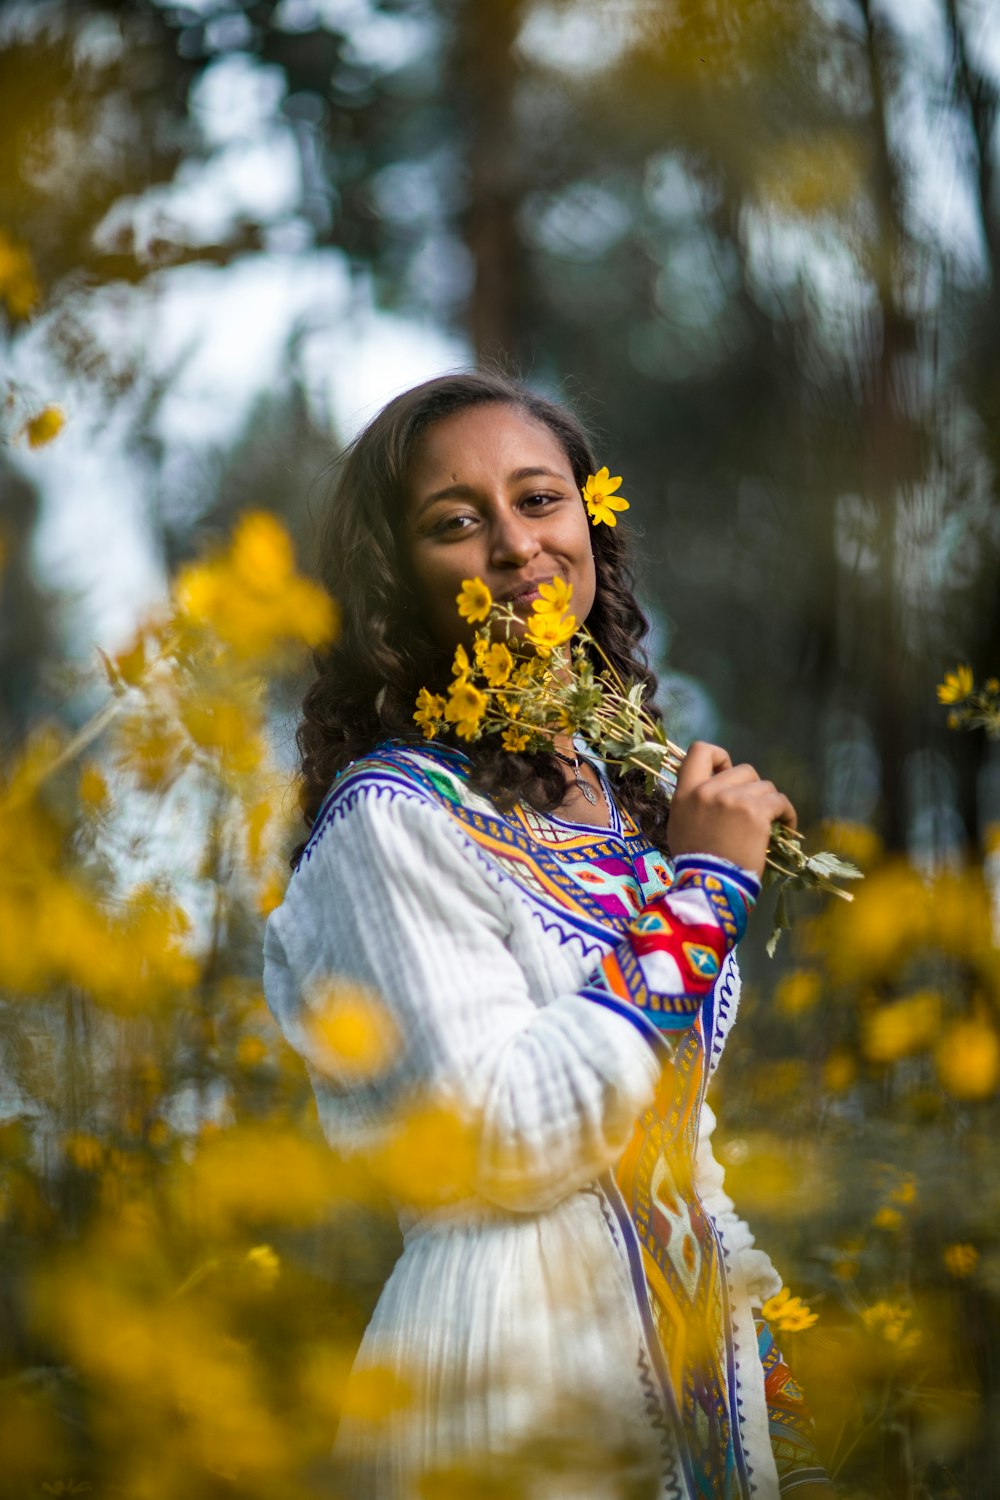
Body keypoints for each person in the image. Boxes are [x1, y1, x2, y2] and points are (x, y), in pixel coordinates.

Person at [263, 371, 833, 1499]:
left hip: (688, 1358)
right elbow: (505, 1136)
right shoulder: (392, 820)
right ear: (393, 579)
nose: (516, 546)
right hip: (512, 1365)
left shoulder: (628, 813)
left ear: (589, 523)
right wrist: (708, 890)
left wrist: (766, 1391)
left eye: (539, 500)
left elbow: (677, 1138)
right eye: (456, 521)